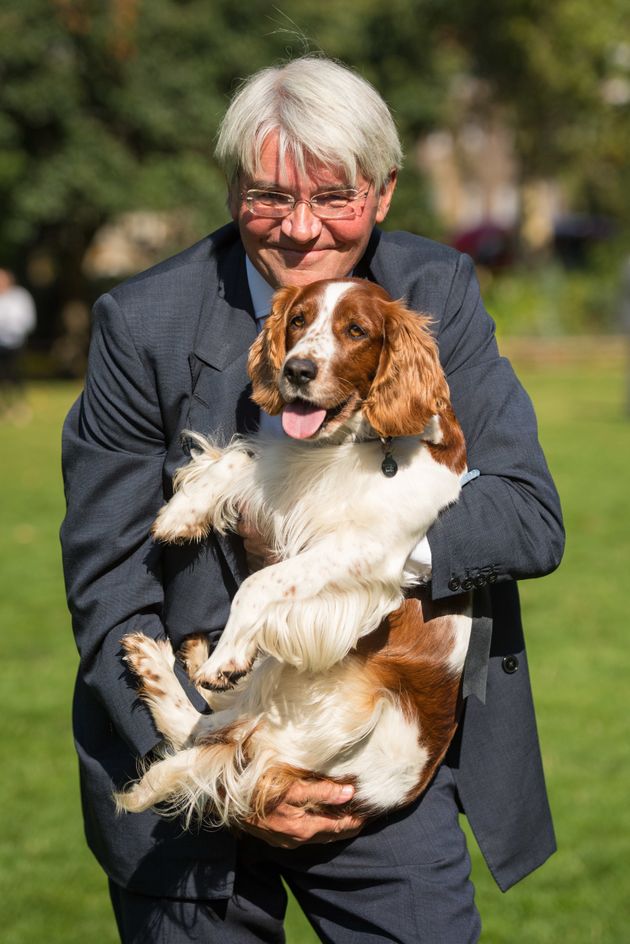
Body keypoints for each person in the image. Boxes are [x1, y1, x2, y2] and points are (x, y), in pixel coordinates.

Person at [61, 56, 564, 943]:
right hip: (187, 761)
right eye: (269, 197)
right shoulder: (143, 321)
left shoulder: (435, 290)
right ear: (231, 190)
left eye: (334, 196)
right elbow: (107, 580)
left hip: (380, 751)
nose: (301, 229)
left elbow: (527, 516)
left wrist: (360, 553)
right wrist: (210, 755)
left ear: (383, 190)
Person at [0, 268, 36, 419]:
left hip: (16, 342)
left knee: (16, 374)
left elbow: (27, 319)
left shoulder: (19, 296)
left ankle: (19, 406)